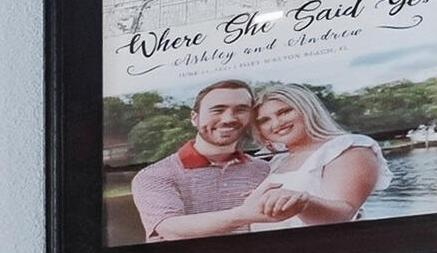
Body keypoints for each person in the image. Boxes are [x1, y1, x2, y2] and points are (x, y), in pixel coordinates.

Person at [129, 79, 270, 240]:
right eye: (218, 110)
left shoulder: (264, 169)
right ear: (194, 117)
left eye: (241, 110)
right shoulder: (154, 175)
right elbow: (169, 229)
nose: (228, 118)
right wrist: (244, 214)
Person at [240, 82, 385, 227]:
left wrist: (302, 202)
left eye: (284, 112)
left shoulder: (348, 148)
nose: (277, 124)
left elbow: (343, 216)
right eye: (264, 120)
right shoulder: (277, 161)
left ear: (307, 110)